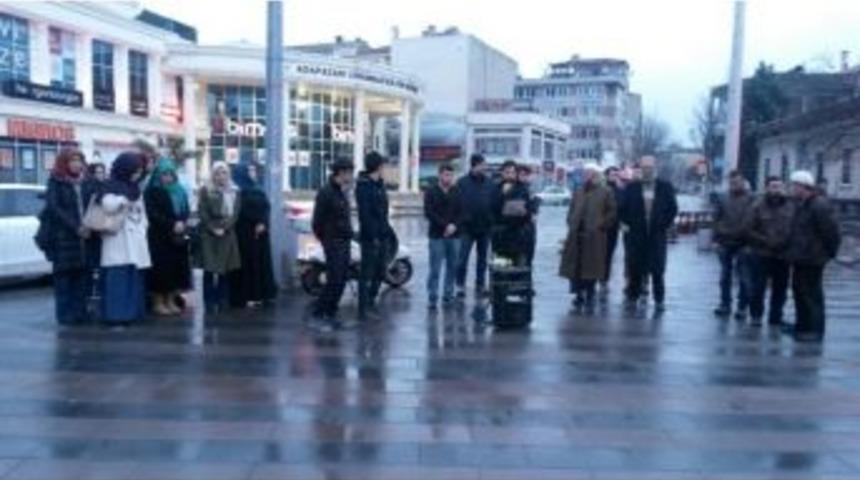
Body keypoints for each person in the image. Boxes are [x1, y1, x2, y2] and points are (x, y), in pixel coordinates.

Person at [784, 170, 841, 342]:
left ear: (803, 186)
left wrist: (830, 253)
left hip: (813, 258)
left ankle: (814, 330)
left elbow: (831, 232)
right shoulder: (804, 204)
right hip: (802, 257)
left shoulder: (818, 205)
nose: (792, 189)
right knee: (800, 292)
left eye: (794, 185)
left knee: (811, 295)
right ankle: (803, 327)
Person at [619, 155, 678, 311]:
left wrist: (663, 224)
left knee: (657, 269)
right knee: (635, 268)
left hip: (656, 235)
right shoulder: (632, 187)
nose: (647, 170)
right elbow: (622, 209)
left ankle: (659, 300)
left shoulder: (665, 187)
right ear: (641, 168)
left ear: (655, 168)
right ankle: (633, 297)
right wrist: (628, 225)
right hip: (637, 235)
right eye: (644, 167)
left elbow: (673, 209)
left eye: (650, 167)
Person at [42, 149, 93, 325]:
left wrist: (90, 224)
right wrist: (75, 227)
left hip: (85, 236)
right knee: (64, 278)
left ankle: (80, 312)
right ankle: (65, 315)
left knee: (82, 277)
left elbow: (93, 204)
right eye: (72, 160)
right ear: (65, 163)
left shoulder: (86, 181)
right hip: (64, 237)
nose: (76, 164)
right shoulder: (56, 181)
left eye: (79, 160)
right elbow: (54, 208)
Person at [100, 152, 151, 326]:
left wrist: (143, 227)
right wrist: (122, 199)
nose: (137, 174)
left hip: (135, 237)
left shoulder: (136, 188)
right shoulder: (111, 185)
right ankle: (117, 316)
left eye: (139, 171)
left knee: (133, 277)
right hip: (118, 239)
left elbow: (142, 210)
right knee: (118, 279)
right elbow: (107, 205)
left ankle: (133, 313)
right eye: (135, 170)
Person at [560, 164, 617, 309]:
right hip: (576, 235)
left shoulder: (606, 191)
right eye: (585, 173)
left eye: (589, 173)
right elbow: (571, 209)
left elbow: (612, 212)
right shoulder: (579, 191)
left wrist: (601, 225)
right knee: (576, 267)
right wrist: (571, 221)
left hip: (595, 236)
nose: (586, 175)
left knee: (591, 267)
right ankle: (578, 294)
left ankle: (590, 294)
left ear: (596, 175)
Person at [144, 158, 192, 316]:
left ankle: (171, 300)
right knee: (160, 270)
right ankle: (158, 302)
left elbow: (186, 210)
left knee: (176, 270)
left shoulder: (180, 190)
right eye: (164, 174)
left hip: (177, 238)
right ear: (158, 175)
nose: (168, 178)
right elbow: (152, 214)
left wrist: (182, 222)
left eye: (171, 174)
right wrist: (172, 224)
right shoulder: (151, 191)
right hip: (158, 237)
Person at [311, 159, 355, 328]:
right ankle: (320, 313)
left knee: (342, 279)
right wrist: (326, 240)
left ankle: (330, 312)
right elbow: (317, 222)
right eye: (349, 172)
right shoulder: (326, 192)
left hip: (344, 241)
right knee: (334, 280)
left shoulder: (341, 192)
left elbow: (344, 219)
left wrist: (350, 234)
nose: (351, 176)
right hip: (333, 243)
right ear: (341, 172)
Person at [746, 176, 795, 327]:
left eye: (779, 186)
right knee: (758, 287)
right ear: (767, 188)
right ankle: (756, 315)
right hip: (761, 253)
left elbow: (796, 228)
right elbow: (748, 229)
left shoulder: (790, 206)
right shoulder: (757, 206)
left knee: (780, 288)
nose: (777, 190)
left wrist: (787, 243)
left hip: (783, 254)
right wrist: (765, 241)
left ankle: (776, 316)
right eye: (773, 186)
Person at [229, 162, 276, 308]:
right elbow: (239, 211)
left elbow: (266, 207)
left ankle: (261, 294)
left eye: (254, 170)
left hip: (260, 233)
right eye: (249, 170)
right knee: (247, 264)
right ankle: (247, 295)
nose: (253, 173)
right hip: (244, 233)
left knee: (261, 263)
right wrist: (256, 221)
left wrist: (263, 222)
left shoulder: (258, 189)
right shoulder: (236, 191)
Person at [355, 151, 395, 321]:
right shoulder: (363, 186)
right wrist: (374, 237)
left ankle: (371, 300)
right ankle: (363, 309)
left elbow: (383, 212)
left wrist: (387, 232)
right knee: (367, 273)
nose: (385, 168)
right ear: (378, 166)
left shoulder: (379, 184)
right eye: (383, 165)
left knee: (380, 271)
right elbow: (365, 215)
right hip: (371, 237)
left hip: (383, 234)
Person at [198, 161, 241, 313]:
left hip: (227, 234)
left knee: (224, 269)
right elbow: (202, 212)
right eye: (217, 173)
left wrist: (225, 227)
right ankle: (208, 301)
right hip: (209, 234)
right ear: (212, 175)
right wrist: (212, 228)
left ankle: (222, 299)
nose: (220, 176)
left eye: (224, 173)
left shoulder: (235, 191)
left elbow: (235, 213)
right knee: (209, 270)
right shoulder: (206, 190)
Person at [712, 170, 756, 320]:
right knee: (725, 275)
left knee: (745, 276)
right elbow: (716, 219)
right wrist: (715, 239)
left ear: (743, 182)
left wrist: (753, 242)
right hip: (725, 241)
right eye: (732, 183)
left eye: (737, 182)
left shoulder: (752, 199)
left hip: (745, 242)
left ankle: (742, 307)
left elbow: (756, 221)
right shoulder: (723, 198)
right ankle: (725, 304)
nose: (734, 185)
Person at [455, 154, 497, 298]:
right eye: (483, 165)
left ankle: (480, 285)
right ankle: (459, 285)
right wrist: (461, 221)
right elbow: (457, 204)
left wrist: (492, 220)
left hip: (485, 228)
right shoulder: (462, 183)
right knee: (462, 259)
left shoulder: (490, 183)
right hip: (466, 228)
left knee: (482, 260)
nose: (485, 167)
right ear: (475, 165)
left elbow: (495, 204)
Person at [424, 164, 461, 310]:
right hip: (437, 235)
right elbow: (429, 212)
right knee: (435, 268)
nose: (448, 178)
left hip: (455, 235)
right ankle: (433, 297)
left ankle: (448, 294)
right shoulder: (431, 191)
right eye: (446, 175)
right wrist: (446, 226)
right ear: (439, 175)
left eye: (451, 175)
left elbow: (463, 212)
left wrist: (454, 226)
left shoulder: (457, 191)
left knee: (452, 267)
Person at [492, 160, 536, 267]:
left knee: (519, 272)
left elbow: (528, 212)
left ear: (516, 174)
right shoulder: (495, 189)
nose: (510, 175)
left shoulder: (523, 189)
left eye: (512, 172)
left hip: (518, 238)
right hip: (500, 238)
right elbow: (491, 210)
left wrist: (524, 211)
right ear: (502, 173)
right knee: (500, 271)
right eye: (507, 172)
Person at [601, 166, 625, 296]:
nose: (614, 176)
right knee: (598, 254)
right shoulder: (601, 189)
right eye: (612, 174)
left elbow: (623, 207)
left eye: (616, 174)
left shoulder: (620, 190)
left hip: (613, 227)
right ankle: (597, 277)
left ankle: (604, 279)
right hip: (600, 227)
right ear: (606, 176)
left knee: (609, 254)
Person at [517, 164, 539, 265]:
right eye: (522, 174)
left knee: (529, 258)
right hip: (518, 228)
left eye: (526, 175)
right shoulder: (515, 189)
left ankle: (527, 278)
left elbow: (534, 210)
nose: (524, 177)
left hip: (529, 229)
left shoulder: (531, 190)